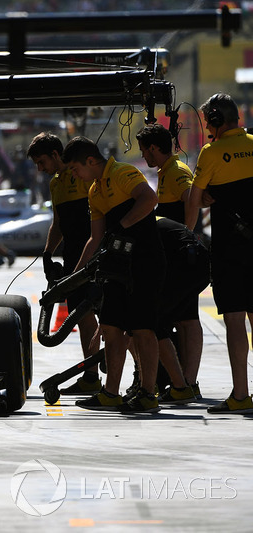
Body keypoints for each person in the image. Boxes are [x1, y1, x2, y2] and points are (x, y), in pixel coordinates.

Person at [63, 136, 165, 413]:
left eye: (74, 169)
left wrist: (121, 225)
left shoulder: (122, 172)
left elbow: (149, 199)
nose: (74, 175)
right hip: (117, 266)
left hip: (144, 261)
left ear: (91, 161)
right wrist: (73, 277)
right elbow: (95, 238)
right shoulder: (94, 191)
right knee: (110, 327)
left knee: (142, 327)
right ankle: (110, 392)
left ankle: (147, 393)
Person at [185, 93, 253, 414]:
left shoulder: (211, 153)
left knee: (235, 321)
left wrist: (210, 196)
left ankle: (241, 395)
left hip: (230, 250)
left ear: (214, 120)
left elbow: (195, 201)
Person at [27, 132, 100, 395]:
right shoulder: (55, 184)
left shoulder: (80, 175)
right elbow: (58, 223)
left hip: (96, 254)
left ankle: (141, 378)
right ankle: (91, 379)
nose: (40, 169)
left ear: (56, 155)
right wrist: (47, 253)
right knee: (81, 317)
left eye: (42, 162)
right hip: (71, 259)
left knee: (116, 319)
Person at [136, 123, 204, 397]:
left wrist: (186, 236)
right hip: (173, 256)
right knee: (184, 317)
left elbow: (192, 199)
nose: (145, 157)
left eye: (144, 151)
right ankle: (185, 381)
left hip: (180, 257)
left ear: (154, 148)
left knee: (187, 320)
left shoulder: (176, 171)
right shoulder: (166, 173)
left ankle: (188, 380)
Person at [153, 217, 209, 405]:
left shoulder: (134, 224)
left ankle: (181, 386)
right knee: (184, 318)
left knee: (149, 321)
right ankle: (187, 383)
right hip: (192, 256)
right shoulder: (151, 219)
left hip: (185, 259)